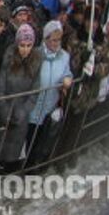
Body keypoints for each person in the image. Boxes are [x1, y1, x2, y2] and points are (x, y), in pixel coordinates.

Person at [0, 24, 42, 173]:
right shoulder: (8, 58)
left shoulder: (36, 62)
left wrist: (22, 113)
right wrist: (4, 111)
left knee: (8, 151)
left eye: (29, 45)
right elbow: (0, 87)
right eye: (22, 45)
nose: (25, 49)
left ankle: (0, 171)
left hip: (20, 114)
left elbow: (35, 92)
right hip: (2, 112)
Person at [26, 20, 73, 166]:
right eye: (52, 40)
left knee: (42, 139)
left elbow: (68, 73)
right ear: (45, 39)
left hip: (49, 107)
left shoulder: (64, 56)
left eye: (58, 40)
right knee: (28, 138)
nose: (56, 43)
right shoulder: (36, 54)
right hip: (33, 107)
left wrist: (67, 80)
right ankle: (23, 165)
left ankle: (34, 166)